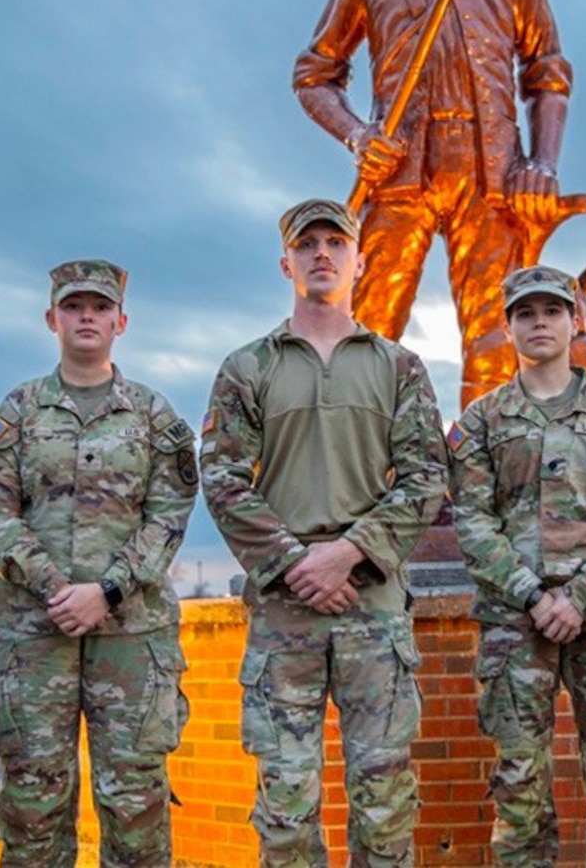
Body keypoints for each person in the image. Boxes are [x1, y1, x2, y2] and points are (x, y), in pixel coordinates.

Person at [293, 0, 573, 403]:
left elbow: (547, 73)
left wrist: (542, 164)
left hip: (492, 170)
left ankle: (489, 449)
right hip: (400, 168)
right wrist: (357, 135)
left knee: (498, 329)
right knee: (369, 325)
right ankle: (361, 445)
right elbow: (315, 74)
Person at [200, 198, 448, 866]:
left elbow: (427, 476)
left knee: (384, 800)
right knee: (285, 803)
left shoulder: (398, 366)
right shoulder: (248, 367)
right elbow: (222, 478)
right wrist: (294, 563)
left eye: (335, 243)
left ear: (359, 261)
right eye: (306, 244)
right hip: (286, 608)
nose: (321, 254)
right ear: (286, 263)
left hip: (373, 604)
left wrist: (348, 554)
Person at [0, 259, 196, 867]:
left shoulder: (154, 417)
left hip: (132, 635)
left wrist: (109, 591)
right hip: (31, 633)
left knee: (135, 803)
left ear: (121, 321)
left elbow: (168, 516)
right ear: (52, 319)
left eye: (99, 307)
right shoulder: (16, 413)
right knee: (33, 804)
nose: (86, 317)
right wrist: (55, 588)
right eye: (73, 306)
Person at [448, 265, 586, 867]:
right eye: (525, 313)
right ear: (509, 326)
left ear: (574, 321)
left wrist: (582, 597)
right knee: (519, 791)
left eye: (551, 311)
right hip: (517, 622)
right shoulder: (483, 420)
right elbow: (473, 522)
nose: (539, 323)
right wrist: (534, 597)